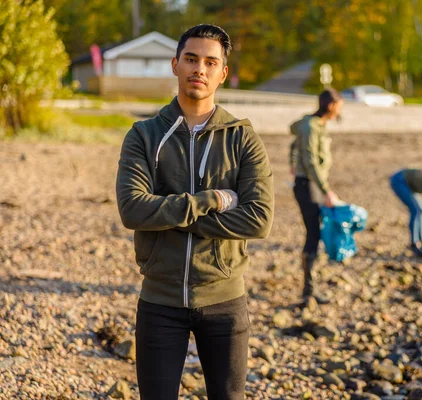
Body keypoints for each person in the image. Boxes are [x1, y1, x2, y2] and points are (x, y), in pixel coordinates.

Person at [115, 24, 274, 400]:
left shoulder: (242, 137)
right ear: (175, 65)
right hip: (159, 301)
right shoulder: (144, 136)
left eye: (209, 62)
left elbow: (259, 219)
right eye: (191, 59)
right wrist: (211, 200)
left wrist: (169, 215)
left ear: (223, 73)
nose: (198, 69)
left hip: (225, 301)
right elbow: (133, 210)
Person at [289, 89, 343, 305]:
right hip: (307, 185)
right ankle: (308, 291)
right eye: (339, 106)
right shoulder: (310, 127)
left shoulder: (315, 125)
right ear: (331, 106)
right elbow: (311, 162)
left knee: (316, 233)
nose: (340, 111)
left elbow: (295, 145)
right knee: (313, 234)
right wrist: (326, 189)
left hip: (310, 184)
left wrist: (292, 162)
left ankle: (310, 287)